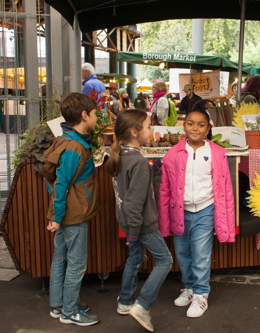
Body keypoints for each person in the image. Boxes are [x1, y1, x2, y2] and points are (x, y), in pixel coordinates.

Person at [159, 108, 235, 318]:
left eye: (201, 124)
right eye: (190, 123)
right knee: (183, 253)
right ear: (183, 126)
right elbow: (164, 190)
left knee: (200, 254)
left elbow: (226, 188)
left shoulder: (217, 153)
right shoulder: (172, 154)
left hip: (205, 210)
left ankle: (201, 294)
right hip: (180, 211)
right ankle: (190, 287)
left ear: (208, 129)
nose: (195, 128)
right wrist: (164, 218)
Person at [105, 109, 173, 332]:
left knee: (135, 257)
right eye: (148, 127)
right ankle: (142, 305)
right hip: (141, 224)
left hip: (127, 220)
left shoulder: (120, 156)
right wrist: (134, 232)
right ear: (135, 132)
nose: (151, 131)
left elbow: (129, 193)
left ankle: (125, 302)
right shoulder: (139, 163)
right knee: (165, 260)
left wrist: (153, 171)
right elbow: (136, 203)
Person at [46, 93, 100, 326]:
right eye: (95, 114)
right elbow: (61, 183)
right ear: (84, 115)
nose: (97, 118)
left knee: (61, 259)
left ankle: (59, 305)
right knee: (76, 264)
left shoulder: (66, 139)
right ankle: (70, 311)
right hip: (73, 213)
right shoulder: (75, 148)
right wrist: (56, 217)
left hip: (66, 211)